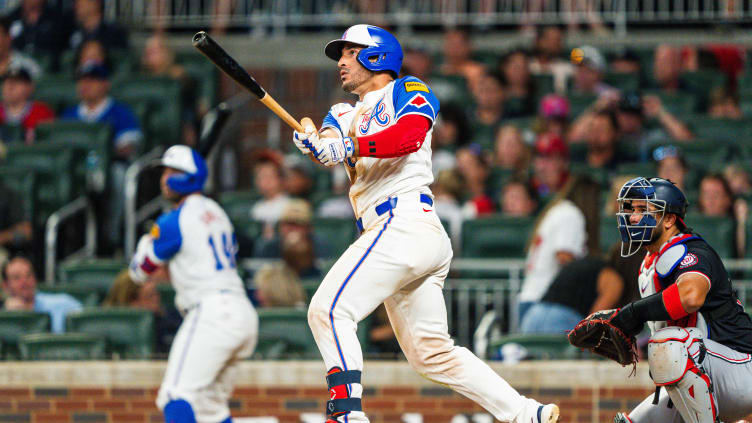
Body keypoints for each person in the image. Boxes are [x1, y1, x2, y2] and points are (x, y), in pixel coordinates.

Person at [291, 24, 560, 423]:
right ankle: (526, 413)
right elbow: (331, 137)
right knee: (431, 354)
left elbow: (410, 134)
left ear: (377, 55)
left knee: (328, 310)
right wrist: (316, 143)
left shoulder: (408, 88)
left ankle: (347, 414)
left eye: (350, 52)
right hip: (397, 231)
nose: (342, 62)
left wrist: (345, 145)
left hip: (405, 222)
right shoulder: (343, 112)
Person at [600, 177, 752, 423]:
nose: (633, 217)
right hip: (702, 375)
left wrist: (632, 313)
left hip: (740, 368)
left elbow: (691, 296)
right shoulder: (649, 263)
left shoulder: (691, 250)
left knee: (669, 343)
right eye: (632, 209)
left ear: (670, 219)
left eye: (643, 210)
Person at [128, 145, 257, 423]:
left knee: (175, 397)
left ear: (187, 177)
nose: (165, 178)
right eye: (164, 171)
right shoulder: (217, 212)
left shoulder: (173, 221)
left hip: (210, 311)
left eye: (172, 171)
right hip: (242, 313)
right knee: (210, 409)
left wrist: (146, 242)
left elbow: (141, 271)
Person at [62, 60, 143, 249]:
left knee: (118, 175)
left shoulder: (121, 113)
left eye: (93, 80)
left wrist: (102, 150)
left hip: (109, 169)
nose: (86, 85)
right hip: (76, 170)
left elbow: (129, 146)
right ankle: (70, 241)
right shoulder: (70, 114)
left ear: (105, 83)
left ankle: (111, 237)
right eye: (82, 80)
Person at [519, 176, 600, 321]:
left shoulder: (558, 210)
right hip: (546, 304)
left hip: (532, 299)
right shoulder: (570, 214)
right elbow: (564, 257)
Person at [520, 256, 623, 334]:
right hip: (563, 318)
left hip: (534, 314)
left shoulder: (581, 263)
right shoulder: (613, 277)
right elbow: (595, 320)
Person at [1, 255, 81, 333]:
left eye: (28, 275)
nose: (24, 281)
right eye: (17, 278)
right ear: (5, 285)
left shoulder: (65, 303)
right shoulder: (3, 318)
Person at [0, 64, 54, 143]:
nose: (10, 86)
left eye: (16, 82)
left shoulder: (42, 112)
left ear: (30, 87)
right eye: (6, 82)